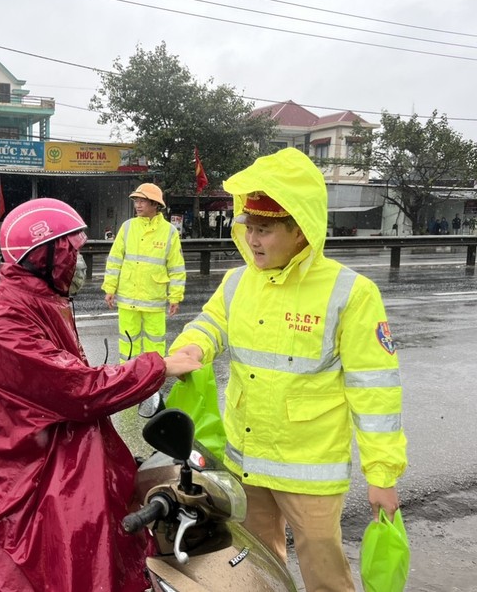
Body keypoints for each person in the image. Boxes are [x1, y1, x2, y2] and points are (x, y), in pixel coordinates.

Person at [169, 147, 407, 592]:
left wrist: (382, 476)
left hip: (309, 470)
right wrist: (192, 348)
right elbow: (211, 323)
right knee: (258, 567)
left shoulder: (350, 293)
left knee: (325, 575)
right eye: (249, 227)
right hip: (247, 460)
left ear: (299, 230)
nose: (253, 240)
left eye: (265, 230)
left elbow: (375, 391)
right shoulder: (238, 280)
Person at [0, 198, 201, 592]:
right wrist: (158, 367)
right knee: (77, 523)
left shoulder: (39, 298)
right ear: (42, 257)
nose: (79, 263)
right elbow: (79, 389)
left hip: (31, 427)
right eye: (71, 253)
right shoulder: (5, 322)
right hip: (7, 455)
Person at [102, 183, 186, 362]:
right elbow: (115, 260)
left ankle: (153, 380)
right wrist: (110, 288)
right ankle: (128, 377)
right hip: (127, 297)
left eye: (143, 201)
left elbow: (176, 268)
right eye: (136, 201)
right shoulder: (127, 227)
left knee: (155, 343)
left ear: (155, 204)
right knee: (128, 342)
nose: (138, 205)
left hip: (153, 299)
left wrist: (175, 297)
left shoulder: (169, 232)